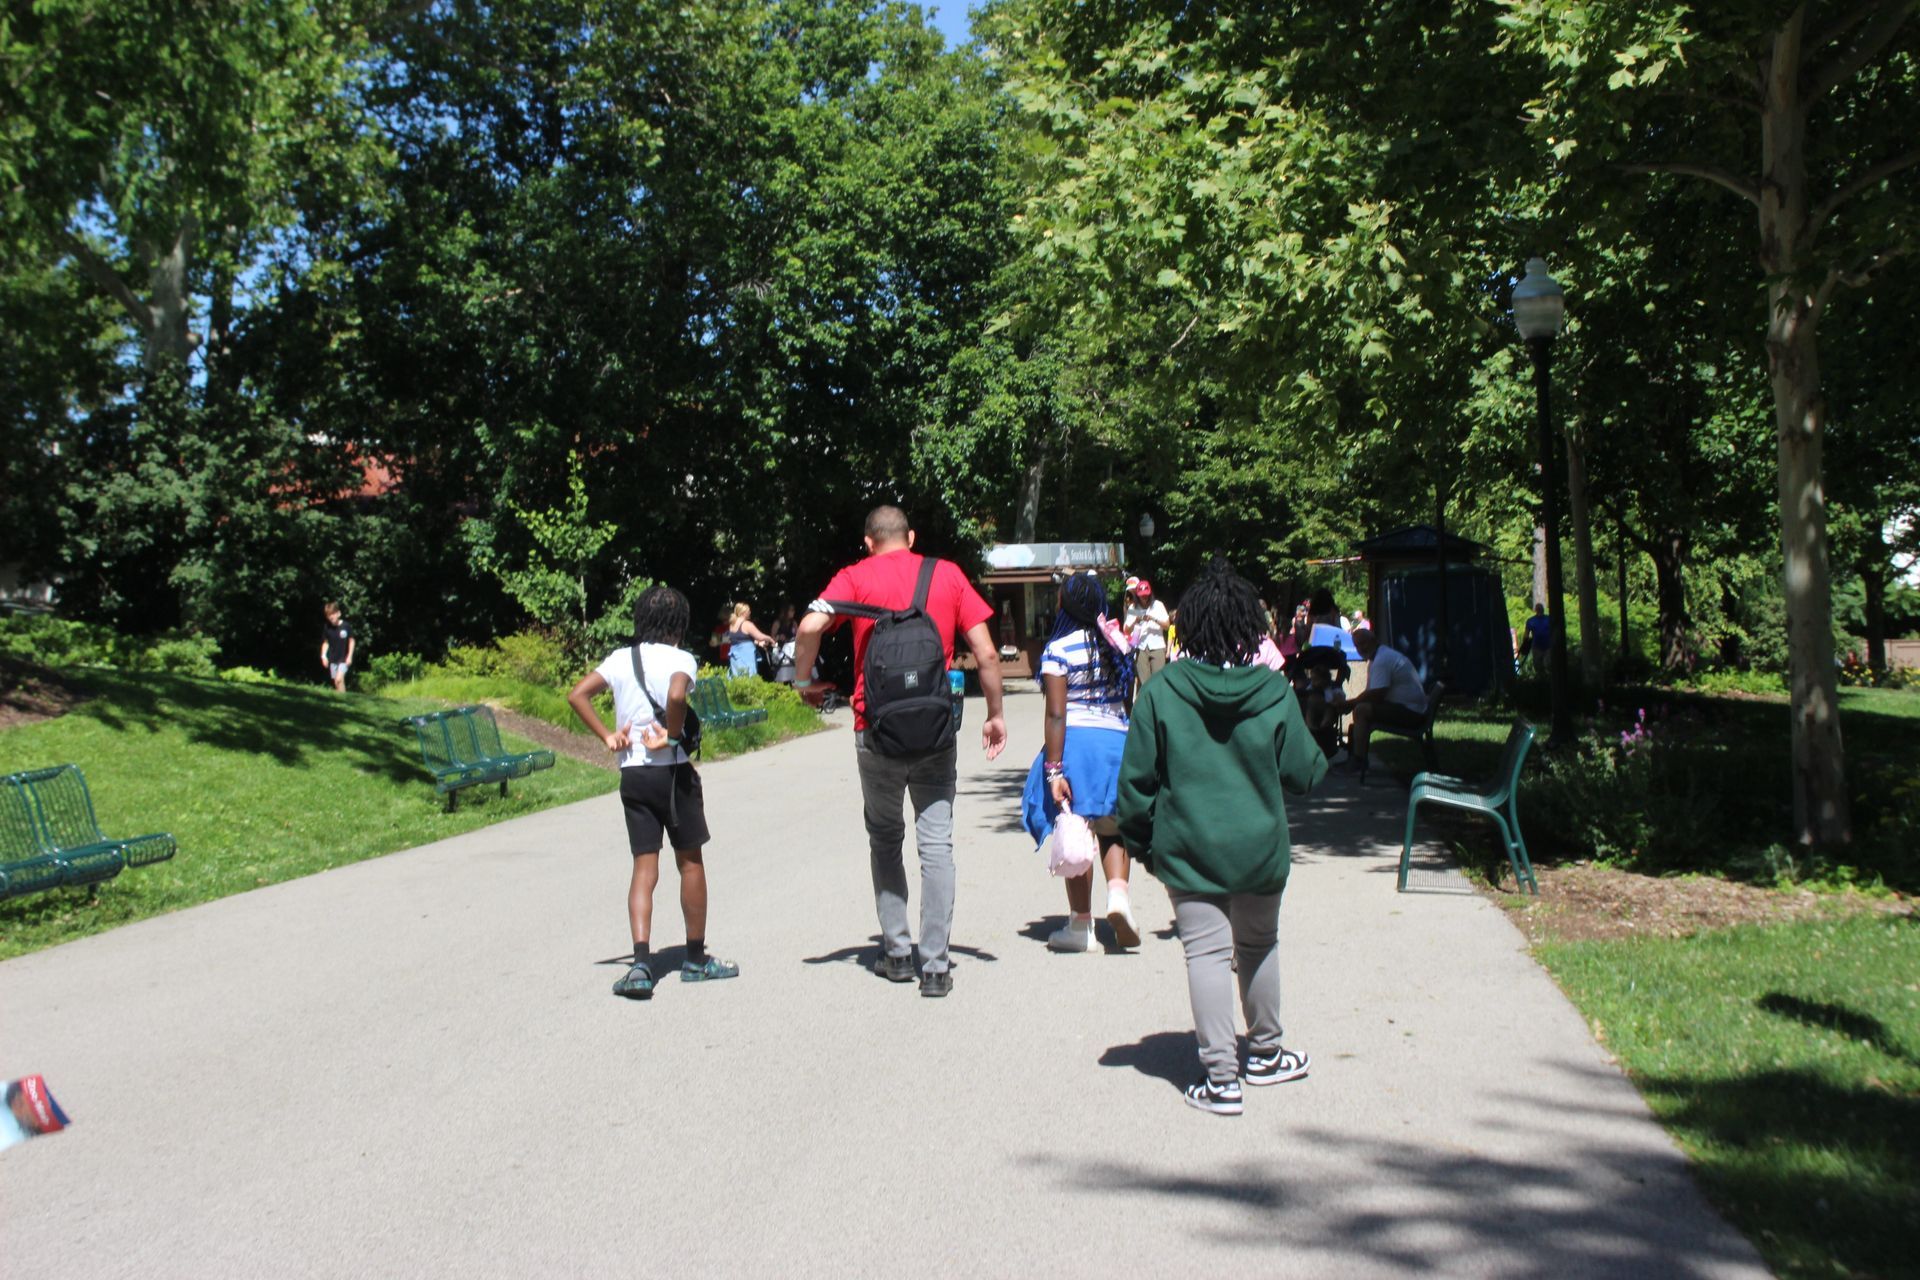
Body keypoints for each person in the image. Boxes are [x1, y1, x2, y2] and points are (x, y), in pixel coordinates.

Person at [1116, 559, 1325, 1116]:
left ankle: (1221, 1079)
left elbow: (1133, 787)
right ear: (1249, 626)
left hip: (1189, 849)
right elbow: (1306, 773)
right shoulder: (1274, 691)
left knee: (1206, 955)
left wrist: (1145, 848)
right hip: (1260, 849)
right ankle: (1266, 1053)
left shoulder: (1162, 692)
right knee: (1259, 945)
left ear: (1190, 626)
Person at [790, 505, 1009, 998]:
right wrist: (995, 714)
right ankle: (935, 966)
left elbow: (807, 628)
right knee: (937, 844)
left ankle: (895, 952)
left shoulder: (854, 577)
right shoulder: (946, 574)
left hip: (875, 730)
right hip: (935, 732)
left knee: (886, 838)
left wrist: (804, 683)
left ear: (868, 542)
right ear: (911, 537)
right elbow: (987, 652)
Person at [566, 585, 739, 1000]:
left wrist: (608, 735)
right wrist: (672, 736)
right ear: (680, 623)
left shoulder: (620, 659)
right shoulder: (681, 659)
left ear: (640, 620)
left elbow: (577, 694)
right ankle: (695, 960)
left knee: (644, 868)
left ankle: (641, 964)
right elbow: (677, 694)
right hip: (673, 775)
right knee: (690, 863)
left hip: (634, 775)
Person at [1020, 572, 1140, 953]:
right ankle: (1118, 897)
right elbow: (1126, 703)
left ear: (1064, 606)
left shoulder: (1059, 649)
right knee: (1113, 828)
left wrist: (1054, 770)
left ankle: (1081, 925)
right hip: (1118, 743)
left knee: (1076, 829)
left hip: (1077, 746)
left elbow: (1057, 715)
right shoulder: (1118, 644)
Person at [1333, 627, 1429, 773]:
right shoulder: (1378, 658)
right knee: (1360, 710)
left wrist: (1350, 704)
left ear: (1374, 640)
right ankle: (1355, 758)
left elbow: (1376, 695)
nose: (1361, 649)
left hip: (1412, 713)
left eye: (1363, 643)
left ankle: (1358, 761)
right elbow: (1370, 693)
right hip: (1410, 708)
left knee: (1361, 710)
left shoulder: (1382, 660)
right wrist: (1351, 704)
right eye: (1357, 646)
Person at [1125, 578, 1171, 686]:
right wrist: (1136, 621)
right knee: (1145, 682)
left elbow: (1167, 626)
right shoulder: (1133, 608)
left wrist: (1153, 619)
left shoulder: (1158, 605)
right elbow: (1127, 630)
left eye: (1146, 595)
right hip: (1140, 646)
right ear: (1137, 595)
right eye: (1142, 595)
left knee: (1158, 680)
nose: (1144, 597)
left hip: (1157, 645)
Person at [715, 602, 774, 678]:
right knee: (748, 676)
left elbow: (740, 639)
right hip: (746, 656)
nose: (750, 612)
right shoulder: (747, 624)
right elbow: (759, 636)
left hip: (734, 656)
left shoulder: (732, 625)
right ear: (743, 613)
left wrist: (758, 643)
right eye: (748, 611)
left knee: (737, 677)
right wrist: (770, 638)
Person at [320, 602, 354, 691]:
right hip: (333, 659)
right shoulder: (327, 627)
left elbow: (351, 641)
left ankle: (343, 698)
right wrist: (324, 656)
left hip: (344, 659)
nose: (331, 617)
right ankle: (341, 698)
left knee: (339, 679)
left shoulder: (346, 626)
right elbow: (326, 643)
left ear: (338, 613)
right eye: (329, 615)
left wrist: (350, 656)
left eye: (333, 614)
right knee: (336, 682)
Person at [1522, 603, 1554, 673]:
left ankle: (1548, 677)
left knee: (1548, 665)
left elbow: (1554, 631)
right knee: (1538, 666)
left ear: (1543, 609)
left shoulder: (1549, 619)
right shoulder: (1531, 621)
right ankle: (1541, 678)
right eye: (1538, 608)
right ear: (1536, 610)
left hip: (1548, 646)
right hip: (1536, 647)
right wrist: (1525, 644)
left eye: (1540, 608)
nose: (1539, 610)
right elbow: (1526, 633)